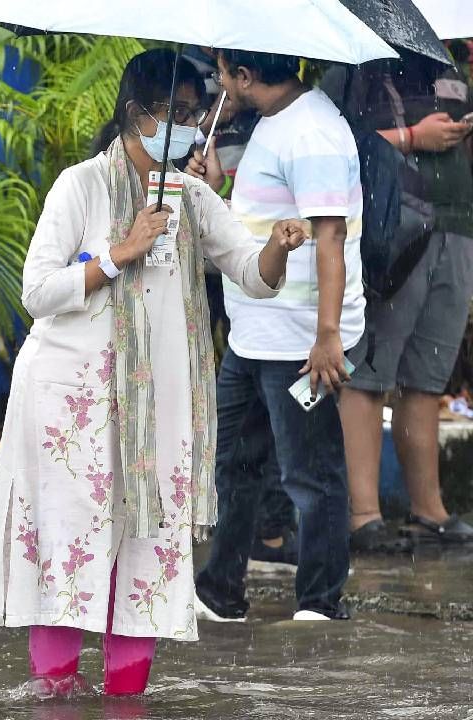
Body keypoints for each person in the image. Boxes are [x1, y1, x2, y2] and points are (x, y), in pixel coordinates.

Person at [0, 49, 301, 697]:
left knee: (147, 547)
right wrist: (120, 253)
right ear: (134, 114)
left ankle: (126, 702)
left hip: (161, 412)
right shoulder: (81, 185)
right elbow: (36, 292)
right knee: (70, 541)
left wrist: (278, 249)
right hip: (73, 404)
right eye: (169, 113)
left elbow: (253, 279)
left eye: (190, 113)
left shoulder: (193, 197)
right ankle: (56, 698)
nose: (183, 125)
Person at [194, 49, 364, 623]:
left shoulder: (312, 131)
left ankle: (320, 602)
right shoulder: (273, 123)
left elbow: (332, 240)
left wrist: (327, 337)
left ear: (245, 77)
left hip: (298, 342)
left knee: (310, 475)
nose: (218, 81)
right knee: (236, 465)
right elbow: (259, 227)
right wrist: (214, 190)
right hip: (252, 336)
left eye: (222, 71)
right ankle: (221, 590)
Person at [327, 53, 473, 551]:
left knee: (427, 376)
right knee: (370, 370)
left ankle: (428, 511)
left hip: (456, 226)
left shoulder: (449, 63)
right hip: (396, 230)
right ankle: (362, 515)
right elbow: (337, 145)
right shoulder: (357, 63)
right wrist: (413, 138)